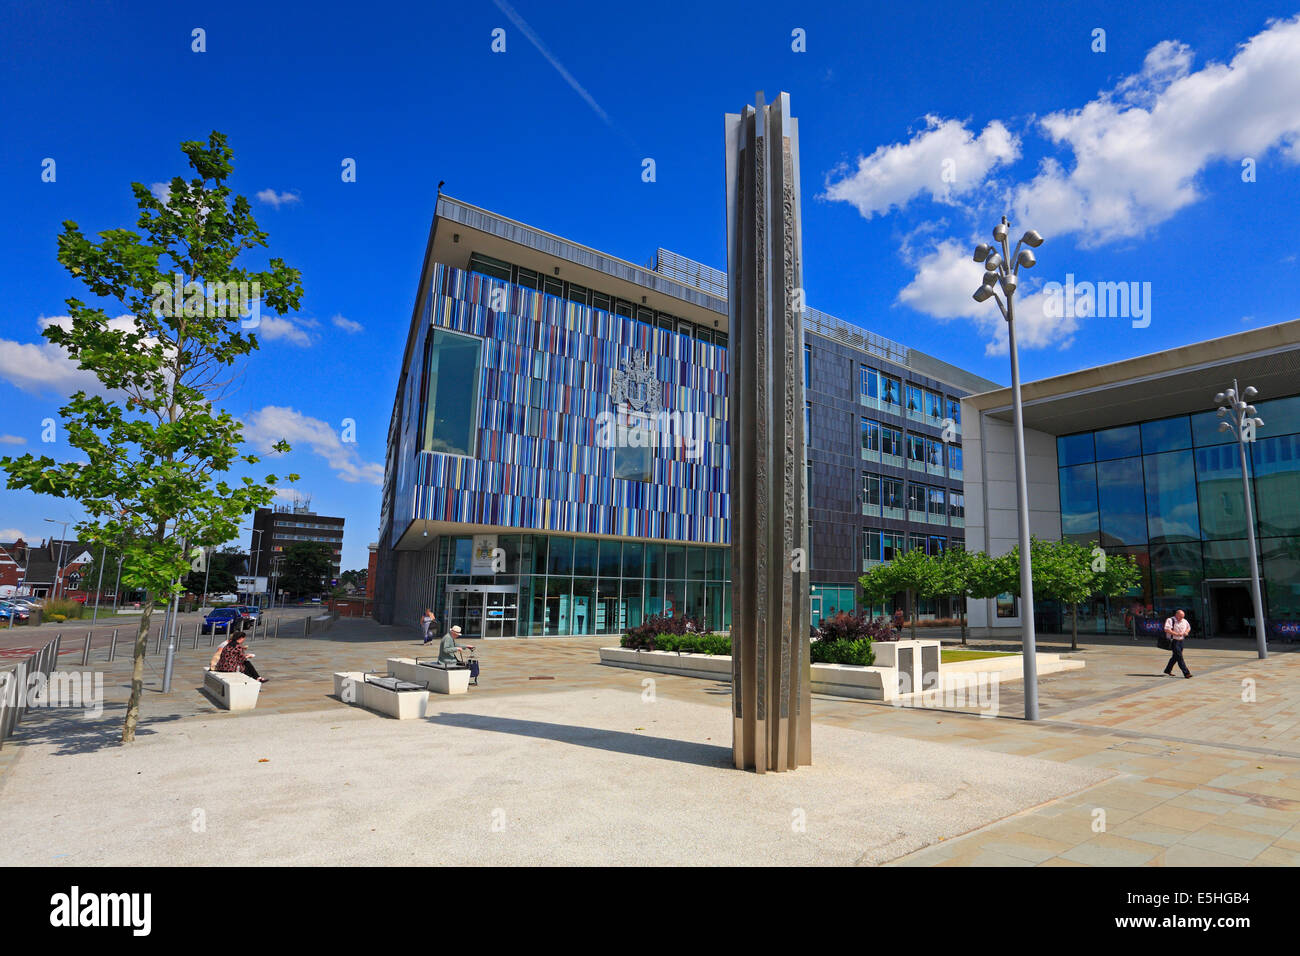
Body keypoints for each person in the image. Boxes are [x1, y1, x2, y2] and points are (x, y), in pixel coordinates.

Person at [1163, 608, 1192, 679]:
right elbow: (1166, 629)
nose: (1182, 618)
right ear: (1176, 615)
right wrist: (1176, 634)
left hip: (1181, 641)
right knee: (1179, 657)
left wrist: (1186, 632)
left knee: (1175, 657)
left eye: (1183, 617)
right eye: (1180, 617)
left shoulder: (1184, 621)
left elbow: (1188, 627)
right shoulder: (1170, 620)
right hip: (1174, 641)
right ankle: (1186, 673)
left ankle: (1167, 670)